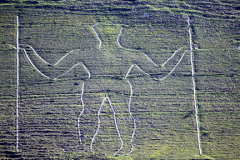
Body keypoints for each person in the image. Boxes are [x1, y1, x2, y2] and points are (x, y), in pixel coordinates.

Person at [19, 23, 187, 155]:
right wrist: (29, 51)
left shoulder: (128, 54)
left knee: (120, 114)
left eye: (108, 34)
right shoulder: (89, 53)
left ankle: (125, 146)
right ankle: (86, 145)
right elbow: (53, 72)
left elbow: (158, 73)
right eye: (104, 34)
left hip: (116, 84)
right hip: (99, 85)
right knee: (90, 114)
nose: (105, 37)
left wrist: (182, 52)